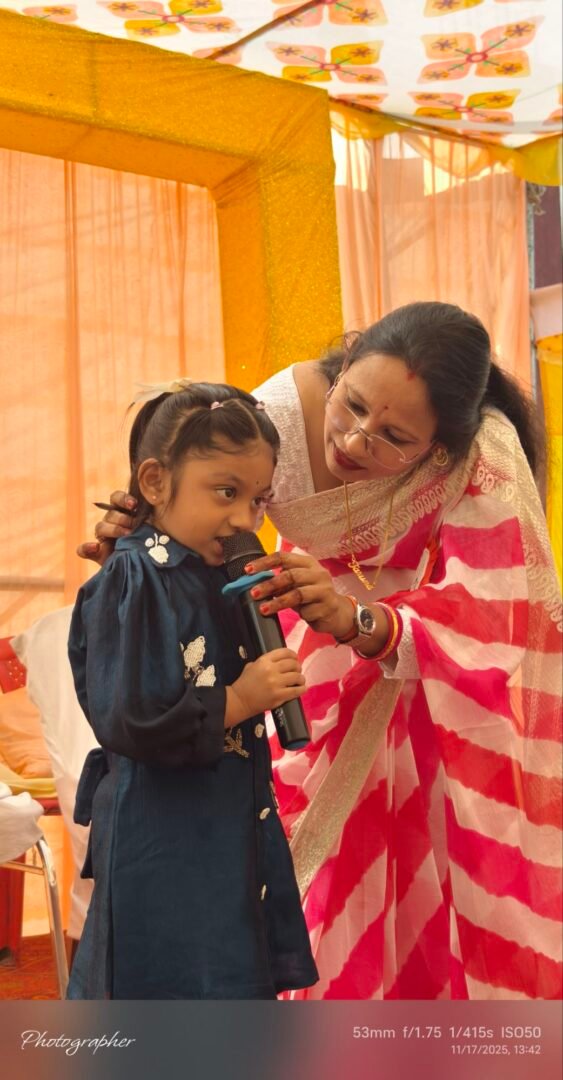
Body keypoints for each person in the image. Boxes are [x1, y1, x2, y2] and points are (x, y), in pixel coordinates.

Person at [84, 302, 562, 1001]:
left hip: (426, 677)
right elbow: (194, 508)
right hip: (291, 651)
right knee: (302, 874)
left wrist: (355, 619)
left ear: (439, 449)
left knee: (428, 878)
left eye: (394, 437)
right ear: (342, 366)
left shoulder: (480, 453)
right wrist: (143, 545)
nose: (357, 438)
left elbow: (492, 611)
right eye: (353, 405)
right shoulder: (274, 414)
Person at [67, 381, 318, 1000]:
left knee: (228, 977)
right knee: (168, 985)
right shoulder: (131, 576)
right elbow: (129, 716)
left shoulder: (220, 573)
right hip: (161, 836)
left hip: (224, 824)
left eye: (257, 500)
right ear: (155, 482)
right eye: (225, 492)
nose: (244, 519)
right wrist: (241, 700)